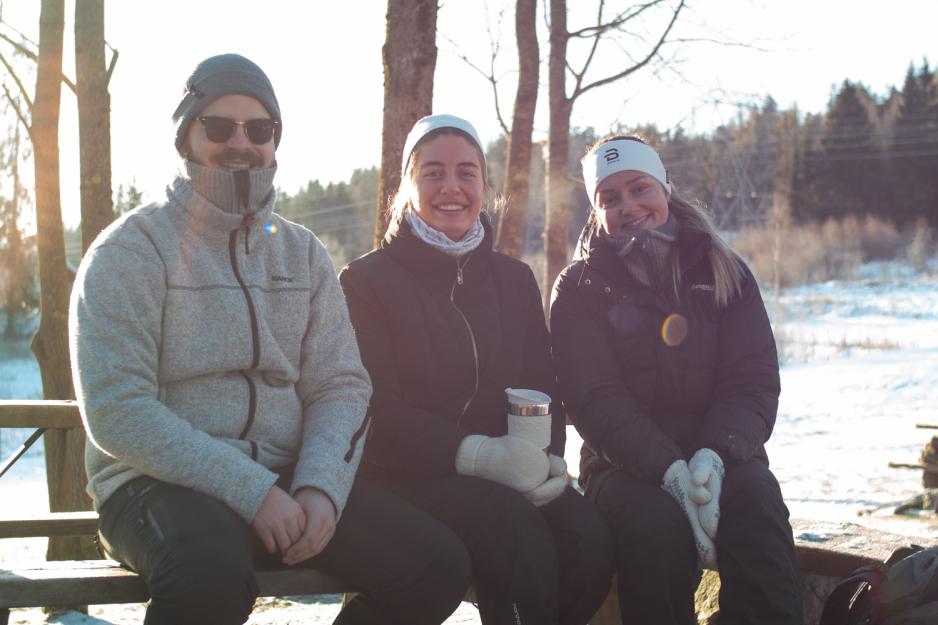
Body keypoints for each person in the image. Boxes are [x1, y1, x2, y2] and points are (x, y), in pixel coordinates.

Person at [68, 54, 472, 625]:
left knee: (436, 565)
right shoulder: (129, 251)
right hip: (155, 485)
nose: (241, 142)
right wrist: (251, 490)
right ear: (185, 136)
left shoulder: (301, 252)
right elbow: (117, 409)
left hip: (288, 485)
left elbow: (340, 384)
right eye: (218, 126)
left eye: (260, 129)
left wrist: (321, 488)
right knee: (208, 574)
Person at [338, 114, 615, 625]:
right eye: (433, 173)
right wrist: (479, 455)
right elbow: (376, 412)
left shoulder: (513, 279)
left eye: (467, 173)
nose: (452, 187)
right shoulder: (366, 282)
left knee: (590, 540)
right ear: (408, 185)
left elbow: (540, 383)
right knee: (513, 532)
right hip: (404, 477)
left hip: (510, 472)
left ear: (484, 186)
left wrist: (546, 461)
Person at [550, 135, 803, 625]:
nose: (629, 206)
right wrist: (668, 469)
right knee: (654, 529)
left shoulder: (724, 268)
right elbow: (593, 398)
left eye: (639, 188)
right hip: (622, 467)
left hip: (726, 455)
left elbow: (752, 380)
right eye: (610, 198)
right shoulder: (579, 288)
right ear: (595, 209)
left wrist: (715, 454)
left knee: (758, 506)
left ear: (666, 186)